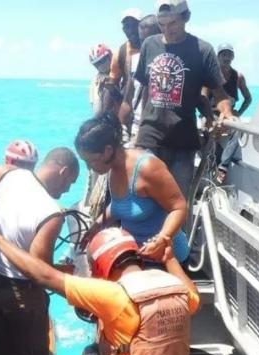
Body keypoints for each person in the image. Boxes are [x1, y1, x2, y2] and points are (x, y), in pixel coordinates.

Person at [0, 221, 201, 355]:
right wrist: (169, 258)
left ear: (100, 265)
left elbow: (42, 274)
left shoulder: (113, 296)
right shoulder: (175, 287)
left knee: (91, 352)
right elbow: (195, 297)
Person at [0, 147, 79, 355]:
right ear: (63, 172)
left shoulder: (8, 174)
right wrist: (67, 274)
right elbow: (40, 273)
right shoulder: (51, 213)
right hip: (23, 295)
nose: (68, 191)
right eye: (70, 182)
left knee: (1, 350)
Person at [133, 0, 235, 198]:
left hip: (183, 141)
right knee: (143, 201)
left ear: (186, 17)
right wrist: (138, 131)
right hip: (149, 139)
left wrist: (227, 113)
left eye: (173, 23)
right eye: (162, 24)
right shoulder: (149, 45)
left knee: (177, 204)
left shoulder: (203, 50)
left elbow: (219, 93)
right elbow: (146, 89)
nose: (167, 30)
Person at [75, 112, 189, 262]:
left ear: (108, 151)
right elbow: (121, 205)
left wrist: (161, 239)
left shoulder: (147, 168)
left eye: (91, 161)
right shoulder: (113, 169)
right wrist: (96, 226)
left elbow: (179, 207)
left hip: (167, 260)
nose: (89, 167)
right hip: (137, 257)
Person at [212, 43, 251, 183]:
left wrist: (239, 112)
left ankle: (223, 166)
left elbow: (248, 98)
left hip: (230, 115)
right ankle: (214, 164)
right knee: (209, 132)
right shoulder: (212, 75)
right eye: (223, 54)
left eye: (229, 55)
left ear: (233, 57)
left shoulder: (238, 77)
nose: (226, 58)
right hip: (212, 114)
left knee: (238, 127)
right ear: (218, 57)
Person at [104, 8, 143, 141]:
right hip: (130, 114)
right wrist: (104, 119)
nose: (131, 30)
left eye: (134, 25)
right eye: (127, 26)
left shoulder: (155, 47)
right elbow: (112, 84)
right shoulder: (120, 52)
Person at [124, 14, 162, 147]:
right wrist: (121, 126)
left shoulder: (172, 63)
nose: (146, 45)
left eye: (150, 40)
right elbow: (128, 98)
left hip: (162, 131)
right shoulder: (135, 61)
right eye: (142, 41)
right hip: (138, 128)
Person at [89, 44, 113, 114]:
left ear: (109, 57)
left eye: (103, 61)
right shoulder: (95, 82)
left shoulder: (121, 75)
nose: (101, 66)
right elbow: (95, 108)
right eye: (97, 64)